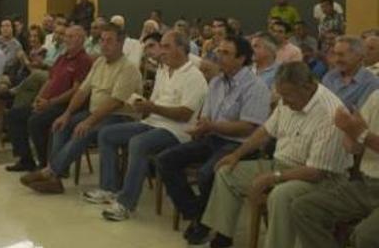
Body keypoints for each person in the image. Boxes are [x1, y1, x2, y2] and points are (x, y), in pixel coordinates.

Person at [201, 62, 352, 248]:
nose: (284, 102)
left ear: (307, 87)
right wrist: (237, 154)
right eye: (282, 96)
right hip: (281, 165)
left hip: (320, 180)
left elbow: (316, 172)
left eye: (288, 96)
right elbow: (265, 130)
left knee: (281, 195)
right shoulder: (290, 98)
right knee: (227, 172)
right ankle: (222, 238)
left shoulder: (330, 113)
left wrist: (273, 178)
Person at [156, 36, 272, 245]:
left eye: (226, 53)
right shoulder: (217, 81)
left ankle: (209, 225)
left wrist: (212, 126)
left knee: (206, 174)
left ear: (241, 58)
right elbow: (207, 117)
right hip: (213, 138)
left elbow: (249, 127)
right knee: (165, 160)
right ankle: (198, 215)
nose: (219, 57)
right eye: (219, 52)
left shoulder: (256, 87)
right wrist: (201, 127)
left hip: (241, 145)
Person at [83, 31, 207, 222]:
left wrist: (152, 107)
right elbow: (154, 101)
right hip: (153, 122)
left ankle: (126, 204)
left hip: (177, 131)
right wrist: (141, 104)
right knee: (107, 134)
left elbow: (185, 114)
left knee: (138, 143)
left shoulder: (194, 76)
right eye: (162, 46)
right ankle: (108, 189)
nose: (161, 51)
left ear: (182, 49)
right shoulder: (163, 70)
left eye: (167, 46)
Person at [20, 23, 141, 193]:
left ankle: (50, 172)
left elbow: (115, 102)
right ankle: (55, 179)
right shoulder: (99, 63)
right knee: (60, 125)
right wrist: (67, 114)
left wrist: (88, 121)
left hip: (119, 116)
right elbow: (83, 91)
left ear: (120, 43)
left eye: (109, 41)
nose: (104, 44)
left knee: (83, 131)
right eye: (102, 40)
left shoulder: (128, 68)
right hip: (95, 113)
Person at [291, 91, 379, 248]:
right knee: (304, 209)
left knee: (366, 237)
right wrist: (349, 130)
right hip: (367, 185)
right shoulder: (376, 97)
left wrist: (362, 134)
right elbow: (353, 147)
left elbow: (362, 134)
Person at [5, 25, 92, 172]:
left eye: (72, 37)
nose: (67, 39)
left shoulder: (84, 60)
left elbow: (77, 90)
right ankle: (26, 159)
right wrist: (38, 98)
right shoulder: (62, 58)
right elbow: (49, 80)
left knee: (36, 121)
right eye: (67, 36)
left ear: (82, 40)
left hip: (66, 105)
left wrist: (50, 102)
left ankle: (46, 164)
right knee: (15, 115)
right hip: (48, 102)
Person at [322, 36, 379, 111]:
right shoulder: (330, 76)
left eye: (341, 55)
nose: (336, 59)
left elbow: (360, 116)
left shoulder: (371, 83)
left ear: (359, 56)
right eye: (335, 54)